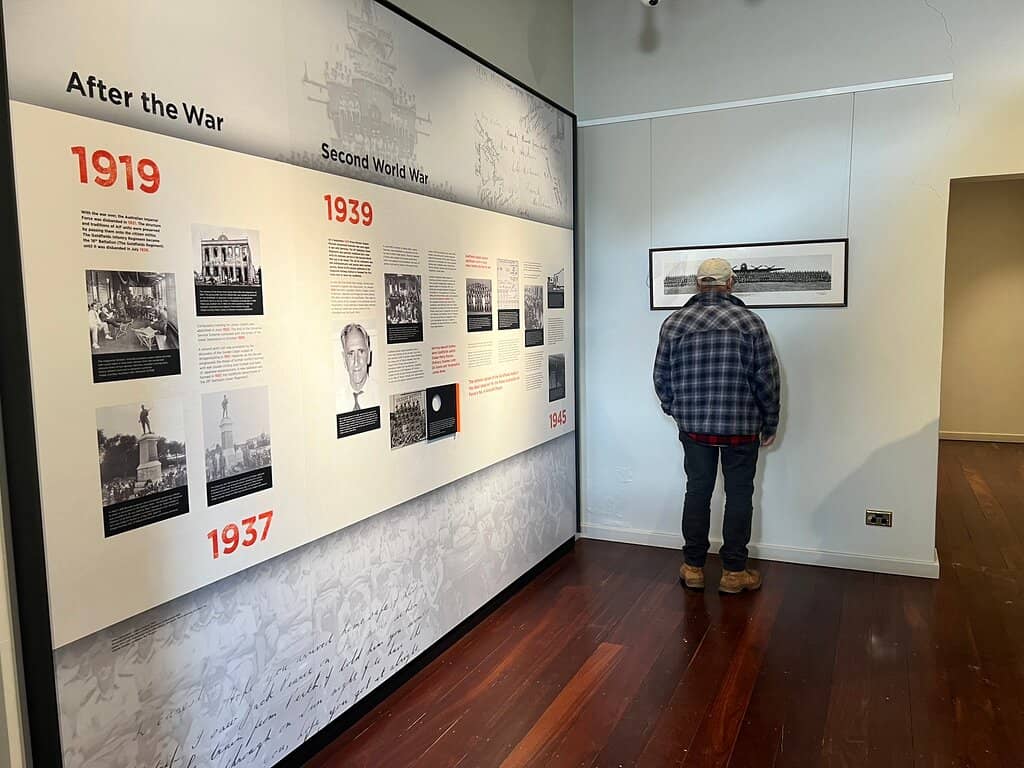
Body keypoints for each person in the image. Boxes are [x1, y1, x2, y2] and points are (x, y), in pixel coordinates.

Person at [653, 257, 780, 595]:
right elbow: (766, 379)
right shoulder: (750, 323)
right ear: (730, 284)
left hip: (694, 428)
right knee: (740, 494)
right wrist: (770, 422)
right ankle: (734, 574)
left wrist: (675, 409)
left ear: (698, 284)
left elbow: (661, 378)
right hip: (741, 427)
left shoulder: (674, 323)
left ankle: (693, 568)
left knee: (697, 491)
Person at [338, 323, 378, 412]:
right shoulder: (336, 400)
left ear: (368, 356)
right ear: (344, 359)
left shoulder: (381, 394)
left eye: (361, 351)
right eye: (350, 354)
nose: (356, 362)